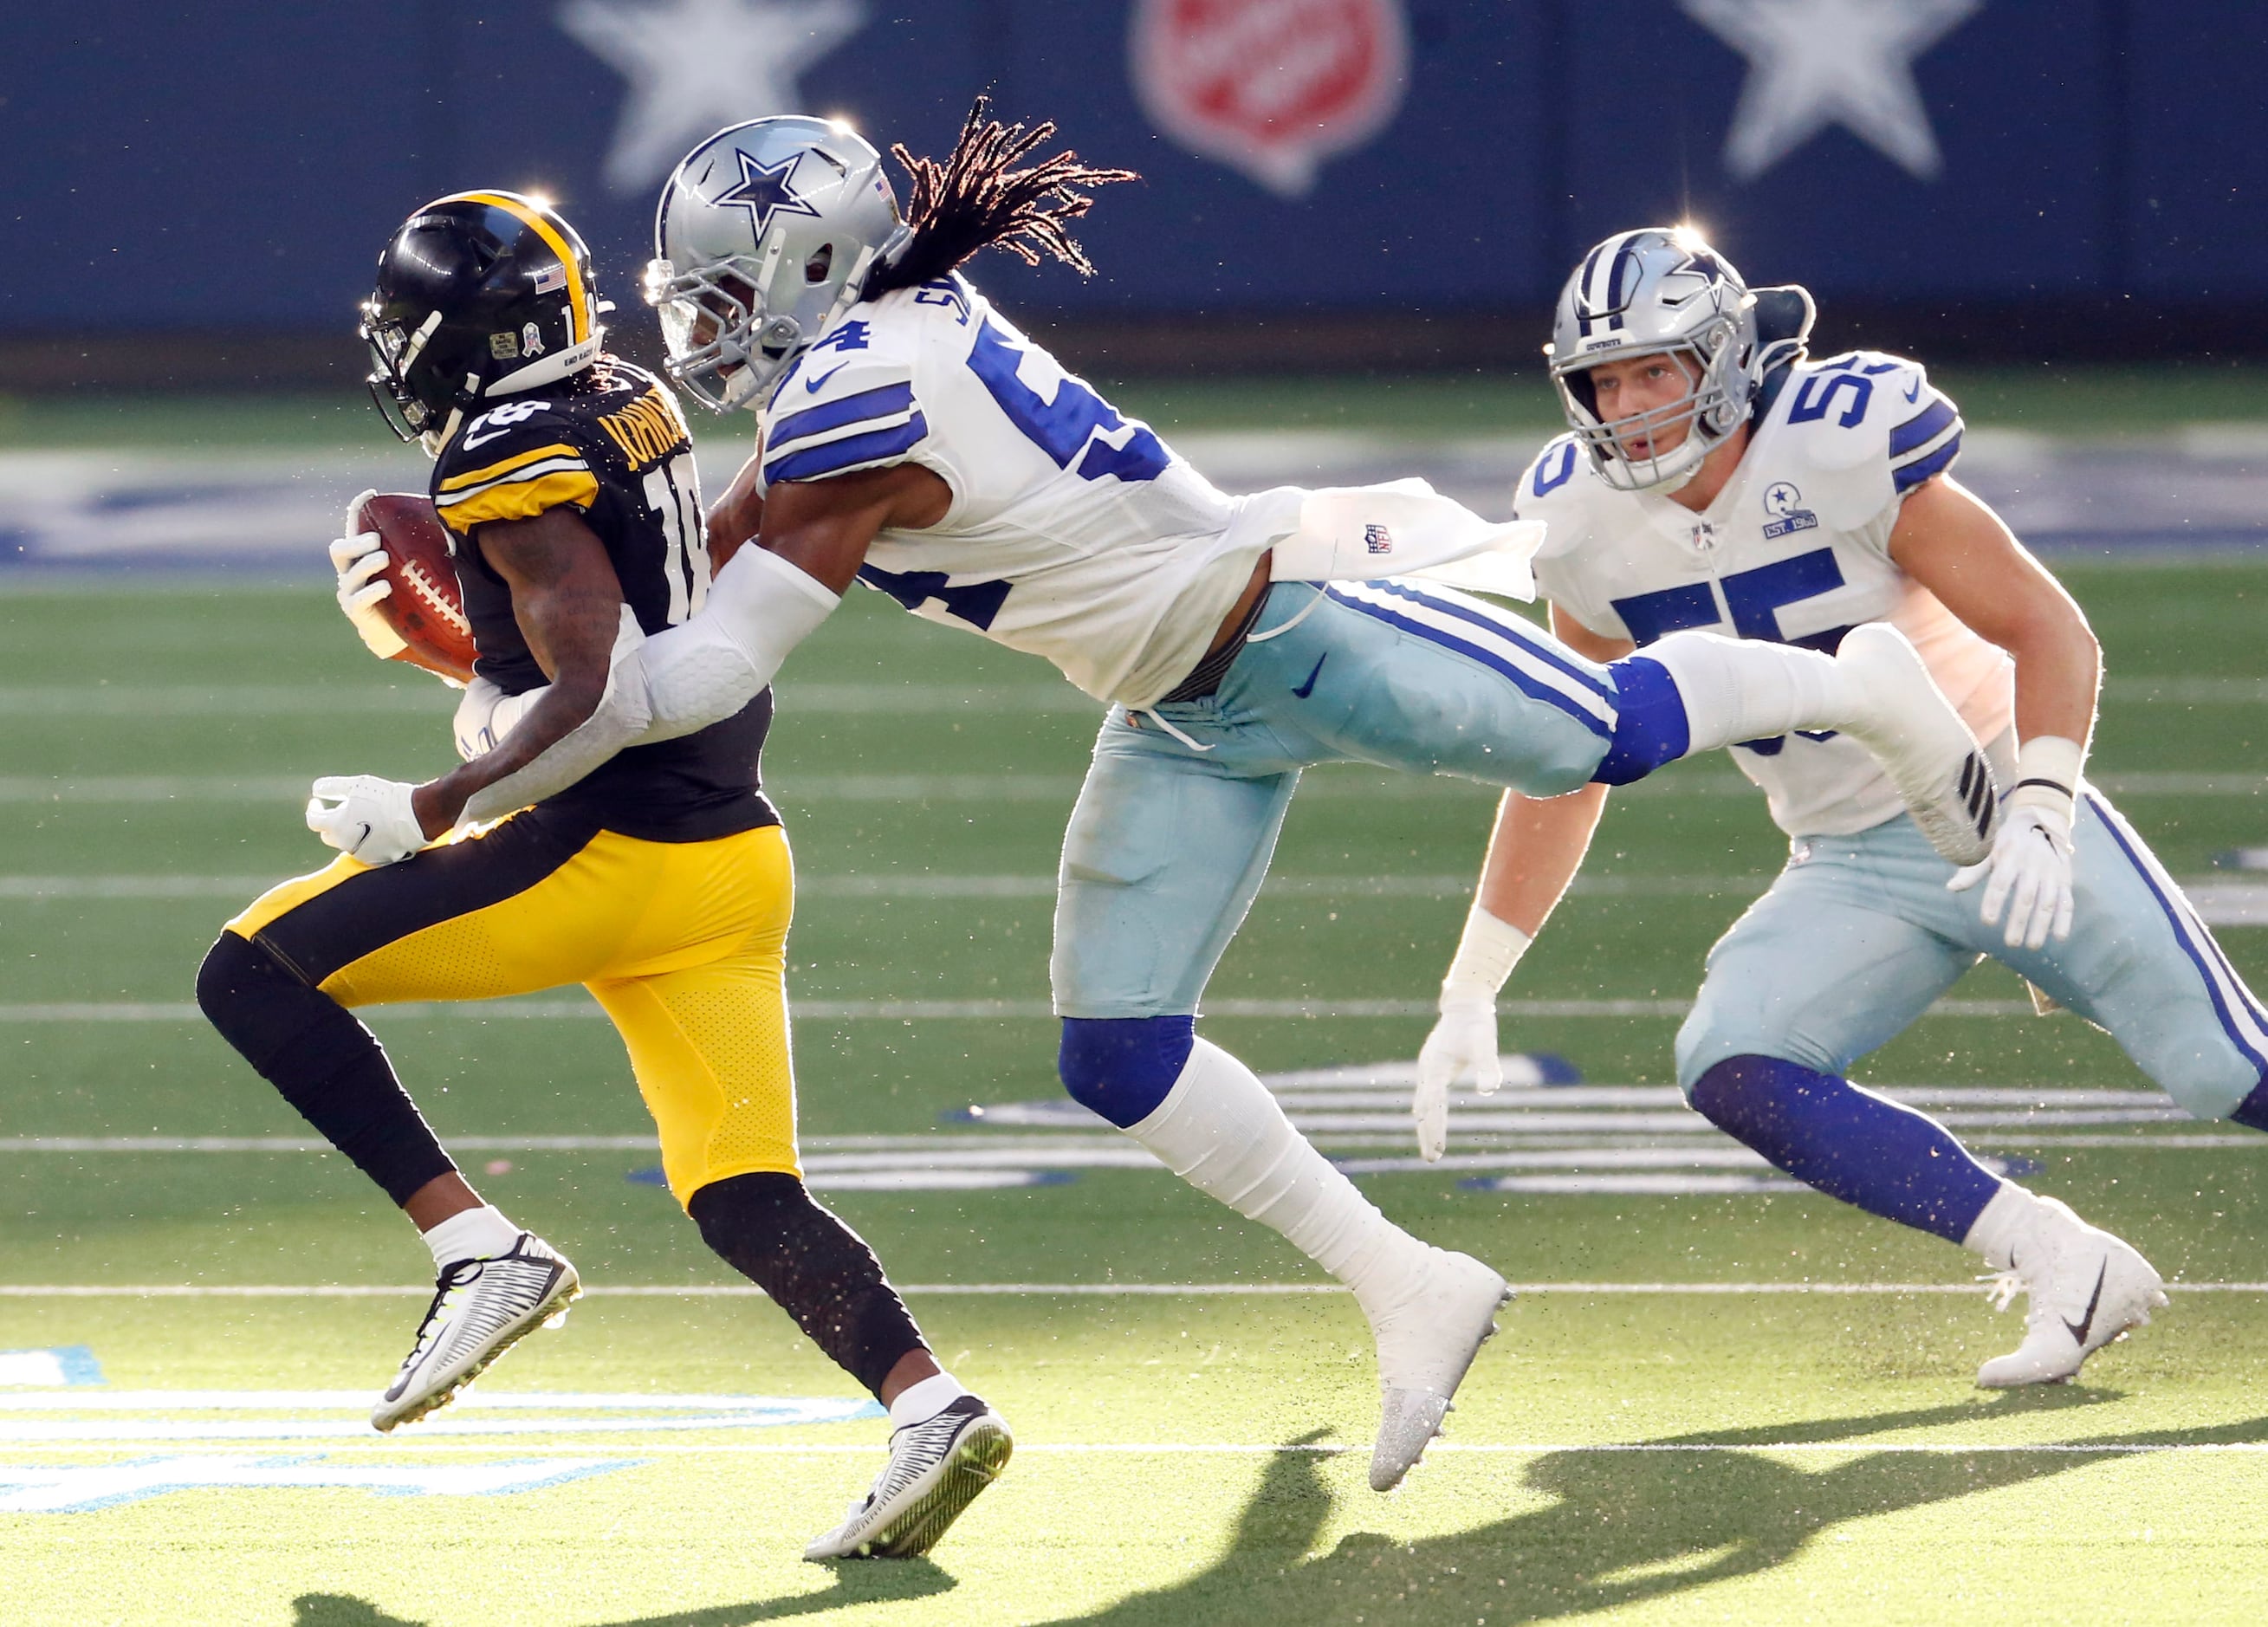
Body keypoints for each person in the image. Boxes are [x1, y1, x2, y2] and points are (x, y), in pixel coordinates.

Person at [300, 108, 2002, 1490]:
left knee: (1610, 737)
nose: (702, 328)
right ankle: (1409, 1285)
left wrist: (455, 758)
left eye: (726, 294)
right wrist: (498, 629)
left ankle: (1857, 681)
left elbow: (695, 677)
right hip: (1181, 703)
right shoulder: (871, 350)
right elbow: (719, 546)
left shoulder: (859, 392)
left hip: (1291, 627)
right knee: (1116, 1054)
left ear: (808, 268)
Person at [193, 191, 1008, 1562]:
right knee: (744, 1190)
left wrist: (435, 799)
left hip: (604, 851)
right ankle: (931, 1404)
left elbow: (598, 685)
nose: (395, 349)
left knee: (252, 968)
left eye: (409, 326)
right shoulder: (619, 390)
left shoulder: (506, 452)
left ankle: (479, 1249)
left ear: (465, 333)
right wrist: (454, 653)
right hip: (730, 855)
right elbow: (618, 633)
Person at [1413, 225, 2268, 1385]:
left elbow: (2047, 627)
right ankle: (2059, 1258)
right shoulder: (1582, 529)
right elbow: (1577, 748)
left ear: (1719, 359)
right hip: (1848, 857)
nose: (1625, 405)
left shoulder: (1836, 444)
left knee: (2224, 1069)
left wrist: (2042, 805)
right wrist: (1473, 976)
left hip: (1992, 803)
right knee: (1733, 1057)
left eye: (1652, 370)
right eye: (1602, 379)